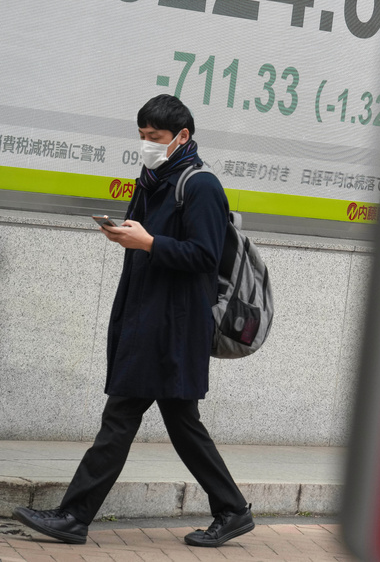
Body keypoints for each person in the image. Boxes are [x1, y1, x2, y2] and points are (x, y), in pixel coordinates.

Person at [14, 95, 254, 547]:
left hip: (174, 326)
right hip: (147, 316)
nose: (146, 145)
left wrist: (148, 243)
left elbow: (204, 255)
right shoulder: (152, 179)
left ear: (182, 136)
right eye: (142, 136)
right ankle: (232, 509)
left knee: (123, 416)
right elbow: (145, 240)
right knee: (180, 423)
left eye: (155, 138)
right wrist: (129, 235)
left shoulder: (201, 186)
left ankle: (74, 517)